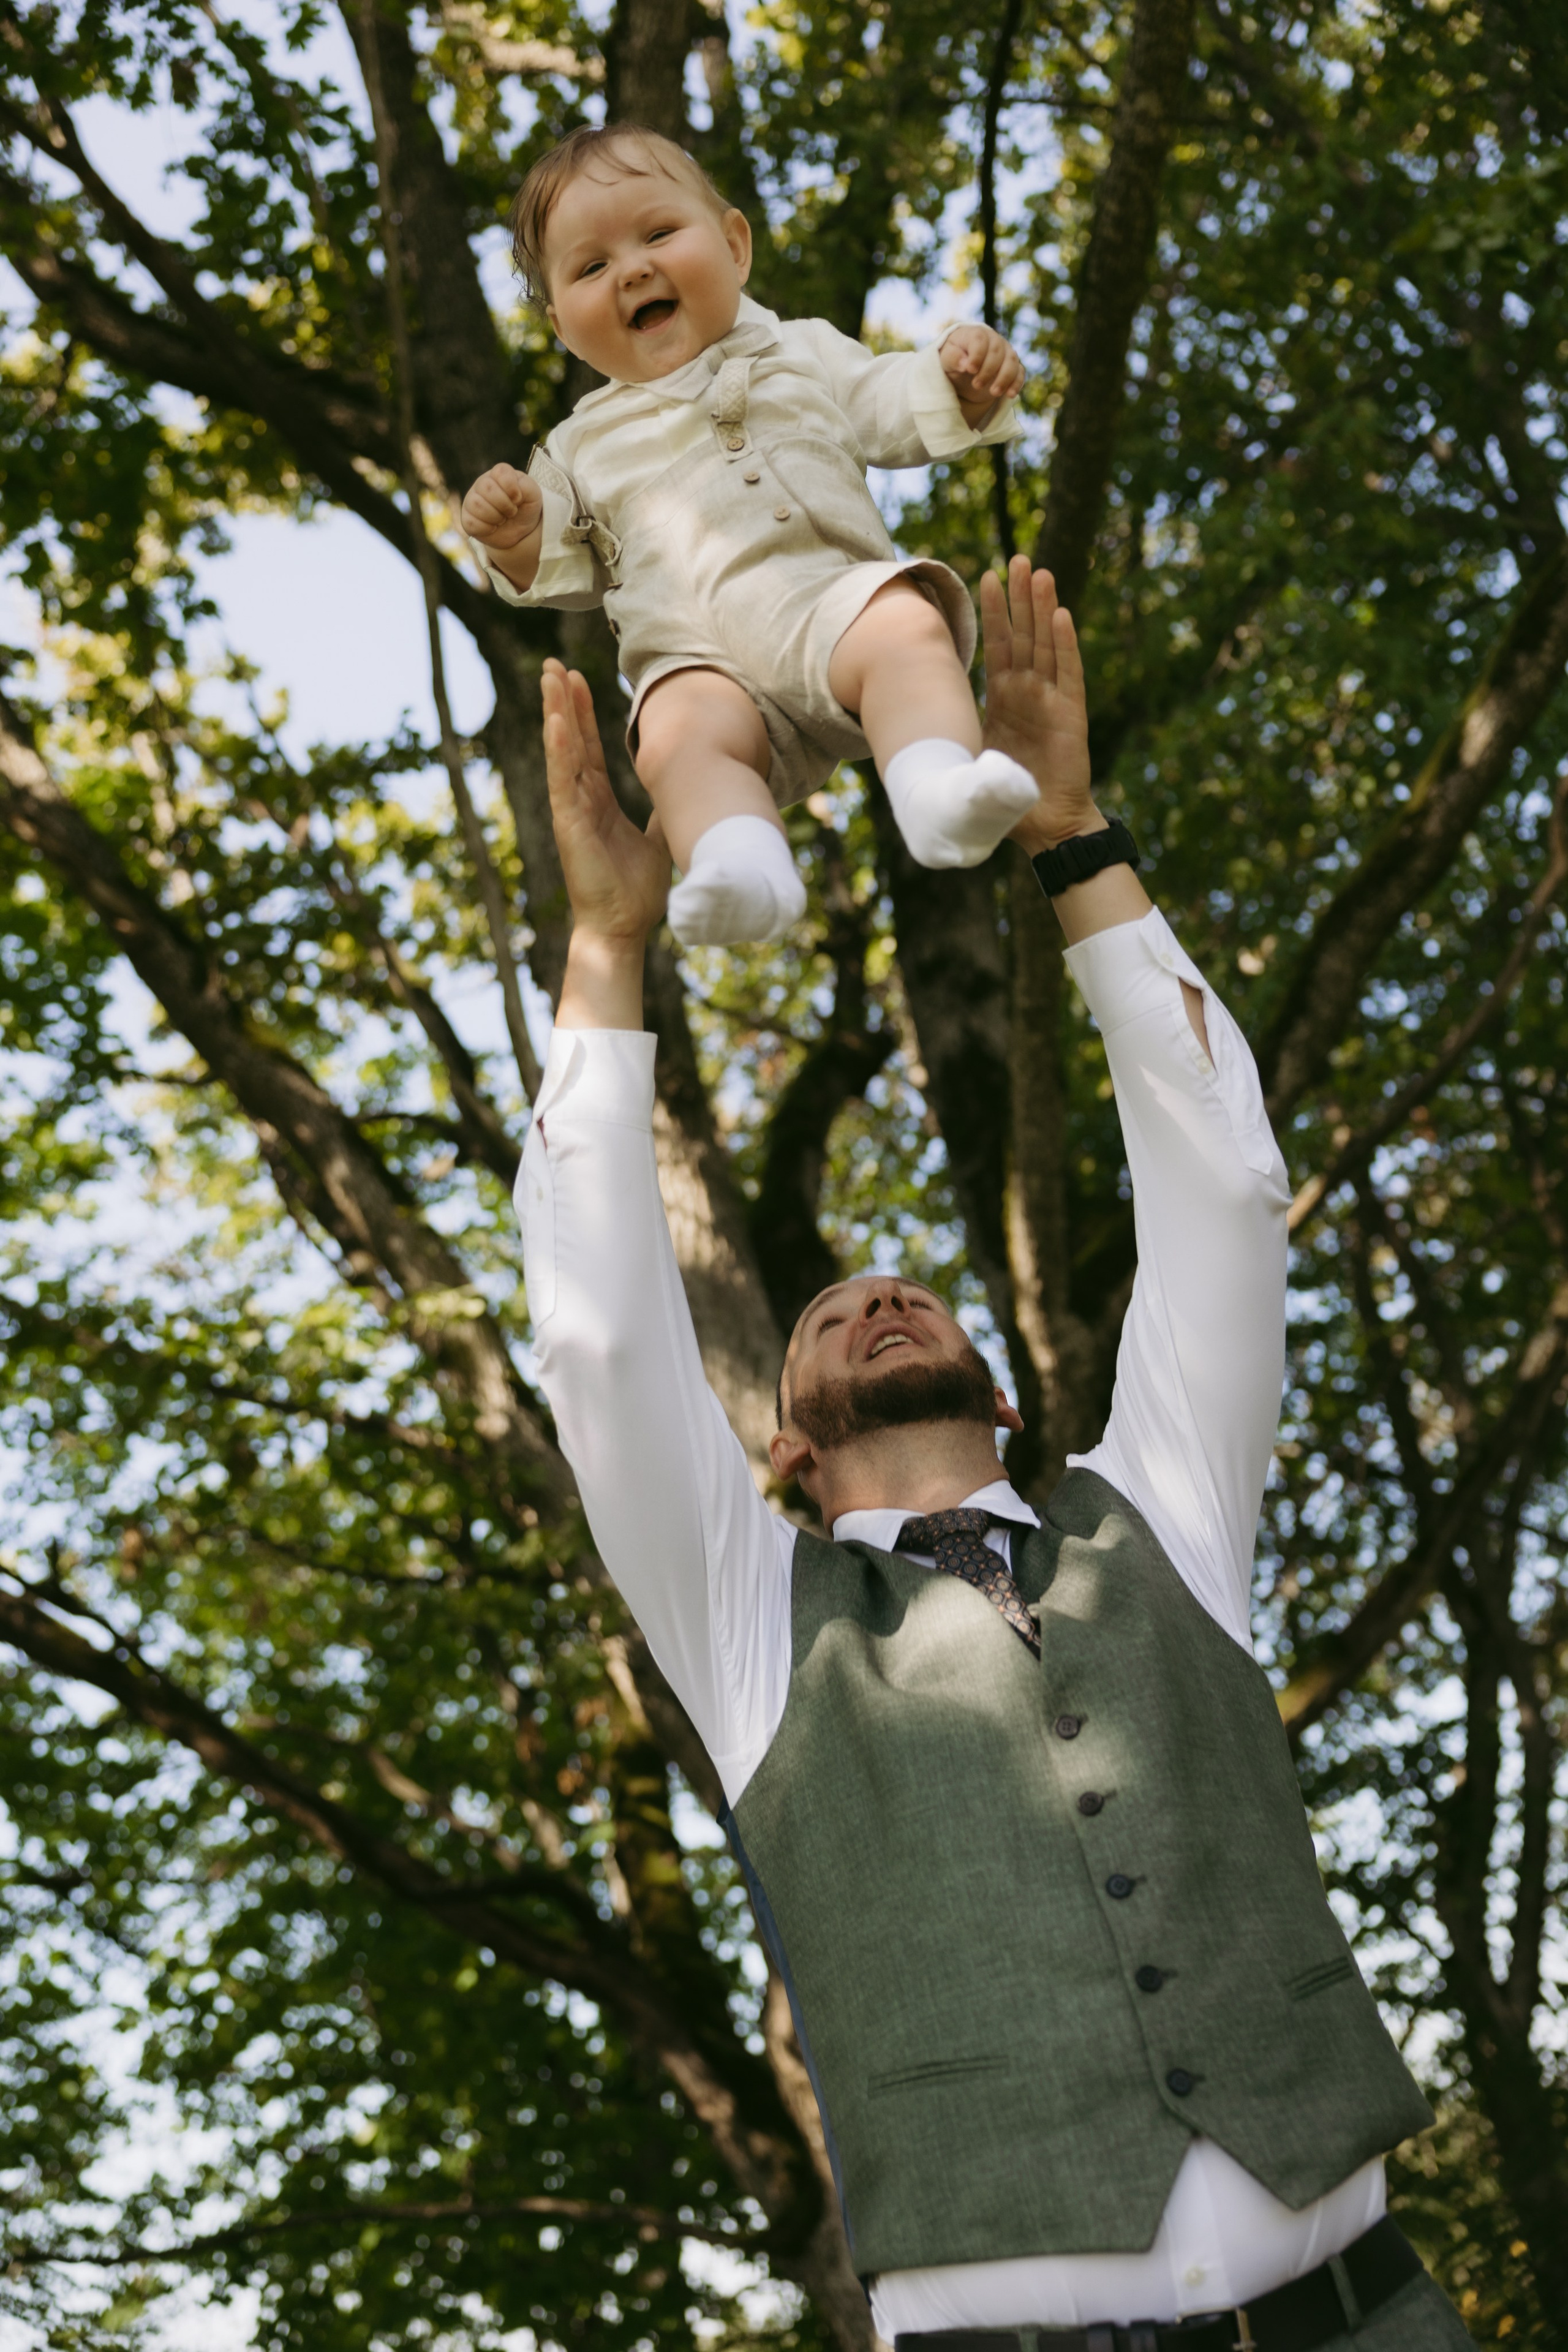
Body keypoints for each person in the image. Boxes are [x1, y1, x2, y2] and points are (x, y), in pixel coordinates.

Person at [516, 559, 1470, 2350]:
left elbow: (1225, 1193)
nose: (874, 1291)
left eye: (910, 1290)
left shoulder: (1166, 1519)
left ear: (1013, 1397)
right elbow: (598, 1338)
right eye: (827, 1314)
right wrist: (607, 949)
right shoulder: (746, 1628)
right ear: (786, 1452)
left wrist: (1078, 831)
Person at [460, 122, 1040, 949]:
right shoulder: (577, 447)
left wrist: (959, 382)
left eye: (660, 233)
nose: (633, 269)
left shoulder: (800, 351)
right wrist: (517, 530)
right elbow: (558, 567)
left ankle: (937, 784)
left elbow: (889, 401)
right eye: (592, 267)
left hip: (830, 608)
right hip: (698, 665)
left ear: (735, 246)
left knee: (906, 621)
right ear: (561, 326)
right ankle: (740, 866)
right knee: (672, 743)